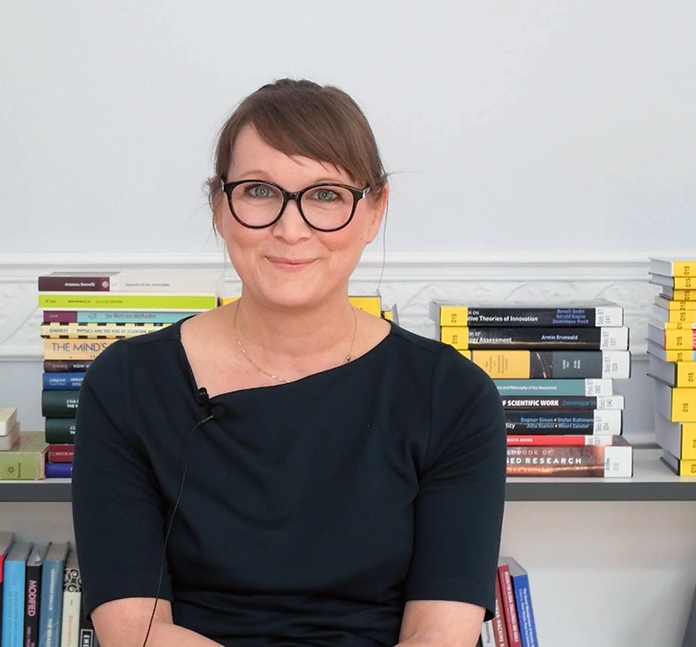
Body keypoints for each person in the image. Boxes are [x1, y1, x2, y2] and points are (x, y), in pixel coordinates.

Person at [72, 79, 506, 647]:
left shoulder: (452, 395)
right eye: (258, 190)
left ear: (375, 211)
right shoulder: (127, 383)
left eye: (326, 195)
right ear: (219, 207)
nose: (290, 228)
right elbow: (135, 631)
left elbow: (439, 636)